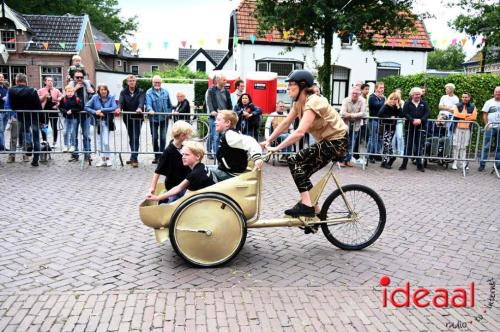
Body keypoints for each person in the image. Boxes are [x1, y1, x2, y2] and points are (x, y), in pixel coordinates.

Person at [263, 70, 348, 218]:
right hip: (327, 141)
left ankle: (307, 206)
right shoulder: (298, 104)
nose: (288, 88)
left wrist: (277, 147)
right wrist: (269, 140)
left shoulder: (314, 101)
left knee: (293, 160)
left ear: (302, 86)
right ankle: (315, 212)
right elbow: (285, 123)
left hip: (337, 141)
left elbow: (300, 132)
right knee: (301, 172)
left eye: (291, 85)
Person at [146, 141, 215, 202]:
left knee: (167, 203)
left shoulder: (195, 174)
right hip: (206, 196)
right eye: (183, 154)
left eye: (187, 154)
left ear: (198, 157)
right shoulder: (201, 166)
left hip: (204, 201)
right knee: (175, 192)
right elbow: (179, 187)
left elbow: (179, 189)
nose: (183, 157)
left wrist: (157, 198)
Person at [209, 110, 263, 182]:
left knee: (198, 172)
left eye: (218, 120)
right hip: (226, 169)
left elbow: (250, 141)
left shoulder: (230, 134)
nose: (215, 122)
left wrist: (257, 157)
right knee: (200, 168)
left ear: (227, 123)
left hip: (230, 174)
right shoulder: (230, 133)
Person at [148, 120, 193, 203]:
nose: (190, 136)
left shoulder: (184, 147)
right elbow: (157, 171)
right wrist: (152, 188)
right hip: (175, 186)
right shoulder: (168, 152)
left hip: (184, 183)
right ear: (182, 135)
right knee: (173, 204)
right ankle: (165, 200)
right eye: (188, 134)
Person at [7, 73, 43, 167]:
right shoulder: (32, 90)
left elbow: (13, 106)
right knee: (36, 138)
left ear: (16, 81)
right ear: (26, 81)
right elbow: (38, 106)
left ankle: (28, 143)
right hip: (34, 116)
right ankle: (35, 160)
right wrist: (42, 120)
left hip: (22, 116)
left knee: (25, 132)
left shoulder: (11, 91)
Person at [85, 85, 119, 167]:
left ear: (107, 90)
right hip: (97, 123)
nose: (103, 91)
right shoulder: (95, 97)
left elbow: (114, 107)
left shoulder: (111, 97)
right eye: (101, 90)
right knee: (99, 142)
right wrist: (95, 112)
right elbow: (86, 107)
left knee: (106, 142)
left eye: (105, 89)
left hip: (107, 122)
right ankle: (102, 159)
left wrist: (102, 110)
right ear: (98, 91)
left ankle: (108, 158)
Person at [399, 87, 430, 172]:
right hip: (409, 127)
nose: (418, 96)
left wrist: (421, 120)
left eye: (419, 94)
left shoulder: (424, 103)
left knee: (419, 146)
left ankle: (419, 165)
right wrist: (412, 120)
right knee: (408, 147)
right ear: (412, 95)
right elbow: (405, 113)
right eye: (416, 94)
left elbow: (427, 113)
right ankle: (404, 164)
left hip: (420, 128)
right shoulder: (407, 103)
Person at [119, 74, 145, 168]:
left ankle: (134, 159)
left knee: (136, 137)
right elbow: (121, 102)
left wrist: (139, 107)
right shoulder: (123, 92)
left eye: (133, 80)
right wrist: (119, 108)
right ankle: (132, 156)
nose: (132, 82)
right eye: (130, 81)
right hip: (127, 118)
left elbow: (142, 101)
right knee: (131, 137)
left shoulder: (140, 91)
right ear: (127, 82)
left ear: (135, 82)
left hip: (137, 117)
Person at [146, 75, 173, 164]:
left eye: (158, 82)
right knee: (154, 138)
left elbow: (169, 104)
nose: (157, 84)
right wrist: (150, 110)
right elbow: (148, 104)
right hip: (154, 119)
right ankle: (156, 156)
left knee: (163, 137)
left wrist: (169, 113)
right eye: (155, 82)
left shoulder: (165, 92)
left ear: (161, 83)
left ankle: (161, 156)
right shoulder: (149, 92)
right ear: (152, 83)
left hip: (164, 119)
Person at [68, 69, 93, 162]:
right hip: (74, 114)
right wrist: (75, 89)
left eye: (81, 77)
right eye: (77, 77)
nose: (79, 79)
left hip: (85, 114)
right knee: (73, 134)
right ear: (73, 78)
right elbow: (66, 97)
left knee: (86, 134)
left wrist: (92, 92)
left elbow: (93, 97)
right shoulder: (71, 85)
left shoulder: (87, 84)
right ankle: (75, 154)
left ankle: (87, 154)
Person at [206, 74, 232, 156]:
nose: (226, 81)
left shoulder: (227, 91)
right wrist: (212, 111)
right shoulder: (211, 90)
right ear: (218, 81)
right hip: (214, 117)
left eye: (225, 80)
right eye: (224, 80)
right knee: (214, 136)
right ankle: (214, 154)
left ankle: (216, 153)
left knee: (219, 136)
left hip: (224, 117)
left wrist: (229, 113)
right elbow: (209, 102)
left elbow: (229, 104)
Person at [339, 88, 366, 167]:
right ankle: (342, 160)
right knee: (344, 142)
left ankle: (348, 160)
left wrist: (350, 115)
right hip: (345, 125)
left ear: (359, 94)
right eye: (353, 93)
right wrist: (355, 115)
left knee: (352, 142)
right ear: (351, 93)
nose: (354, 95)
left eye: (356, 94)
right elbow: (342, 112)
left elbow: (363, 113)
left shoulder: (362, 101)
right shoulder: (346, 100)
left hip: (356, 125)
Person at [451, 92, 477, 170]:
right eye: (463, 97)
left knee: (464, 146)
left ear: (469, 98)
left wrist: (462, 116)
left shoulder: (473, 106)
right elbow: (456, 114)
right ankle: (454, 163)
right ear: (461, 98)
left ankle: (463, 163)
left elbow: (474, 117)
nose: (464, 98)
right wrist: (467, 116)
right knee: (456, 146)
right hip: (457, 128)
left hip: (467, 129)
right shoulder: (457, 105)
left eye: (466, 97)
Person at [378, 92, 403, 169]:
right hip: (385, 127)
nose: (393, 100)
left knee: (387, 144)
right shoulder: (386, 106)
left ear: (398, 100)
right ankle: (389, 158)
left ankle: (386, 161)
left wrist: (398, 106)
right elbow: (380, 114)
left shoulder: (397, 107)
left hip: (392, 128)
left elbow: (402, 115)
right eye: (392, 98)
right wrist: (389, 117)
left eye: (395, 99)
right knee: (387, 144)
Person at [478, 86, 500, 172]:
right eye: (496, 91)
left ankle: (497, 166)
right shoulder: (489, 102)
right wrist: (487, 124)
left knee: (499, 148)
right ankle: (482, 165)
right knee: (486, 147)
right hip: (490, 128)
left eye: (499, 92)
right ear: (494, 92)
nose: (498, 93)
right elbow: (484, 114)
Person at [38, 76, 63, 147]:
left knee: (54, 126)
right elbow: (38, 100)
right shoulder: (41, 90)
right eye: (48, 81)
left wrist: (57, 104)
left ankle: (54, 142)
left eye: (51, 81)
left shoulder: (56, 90)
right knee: (44, 126)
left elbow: (61, 99)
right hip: (44, 110)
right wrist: (44, 96)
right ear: (45, 82)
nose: (50, 82)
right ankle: (45, 141)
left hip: (53, 110)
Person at [59, 85, 82, 153]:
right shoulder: (63, 99)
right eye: (68, 91)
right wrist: (65, 112)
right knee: (65, 132)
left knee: (72, 132)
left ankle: (73, 145)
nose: (70, 93)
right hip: (66, 118)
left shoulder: (77, 99)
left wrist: (72, 110)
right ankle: (66, 145)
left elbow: (80, 107)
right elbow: (60, 107)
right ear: (65, 92)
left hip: (74, 118)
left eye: (71, 91)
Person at [367, 82, 385, 163]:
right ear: (376, 88)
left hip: (380, 121)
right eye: (380, 88)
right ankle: (370, 155)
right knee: (372, 137)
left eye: (383, 88)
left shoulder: (382, 98)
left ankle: (376, 154)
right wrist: (383, 100)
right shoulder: (372, 97)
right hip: (373, 120)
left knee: (378, 138)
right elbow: (379, 106)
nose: (382, 89)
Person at [391, 88, 406, 156]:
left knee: (400, 137)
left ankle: (401, 151)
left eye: (399, 93)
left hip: (399, 122)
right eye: (397, 93)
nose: (398, 94)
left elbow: (402, 113)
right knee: (393, 138)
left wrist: (398, 105)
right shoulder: (391, 100)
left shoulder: (402, 102)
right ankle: (394, 151)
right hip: (393, 122)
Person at [0, 73, 8, 152]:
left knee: (3, 130)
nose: (1, 78)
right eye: (0, 77)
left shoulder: (6, 88)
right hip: (0, 111)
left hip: (6, 111)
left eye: (2, 77)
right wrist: (2, 98)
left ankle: (2, 146)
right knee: (0, 130)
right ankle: (1, 147)